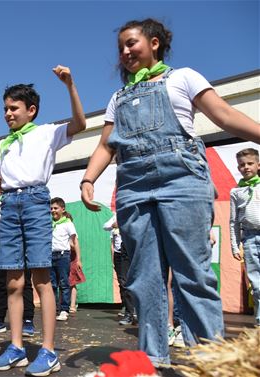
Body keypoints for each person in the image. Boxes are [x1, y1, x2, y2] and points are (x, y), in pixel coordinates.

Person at [80, 18, 260, 365]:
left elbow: (222, 114)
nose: (125, 51)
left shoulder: (183, 77)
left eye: (131, 43)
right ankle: (152, 358)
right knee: (144, 279)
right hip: (133, 186)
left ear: (155, 42)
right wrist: (88, 179)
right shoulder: (118, 97)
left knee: (192, 272)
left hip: (183, 180)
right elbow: (106, 145)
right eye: (121, 47)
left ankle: (209, 360)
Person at [0, 65, 86, 376]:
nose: (8, 113)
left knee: (41, 278)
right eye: (5, 109)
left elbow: (80, 123)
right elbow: (5, 185)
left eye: (13, 108)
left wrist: (70, 85)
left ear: (31, 110)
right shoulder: (4, 144)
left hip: (37, 201)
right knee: (13, 281)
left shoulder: (47, 132)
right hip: (9, 205)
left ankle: (48, 350)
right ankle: (16, 347)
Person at [0, 194, 36, 337]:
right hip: (0, 244)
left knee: (24, 283)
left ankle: (28, 320)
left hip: (18, 241)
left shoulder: (19, 191)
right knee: (1, 284)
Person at [229, 147, 260, 328]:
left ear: (258, 165)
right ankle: (258, 321)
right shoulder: (236, 192)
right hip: (249, 239)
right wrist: (234, 245)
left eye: (249, 163)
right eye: (242, 165)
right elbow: (233, 221)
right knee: (256, 283)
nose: (246, 167)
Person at [103, 215, 135, 326]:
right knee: (122, 282)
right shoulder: (117, 216)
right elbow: (105, 226)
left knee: (127, 282)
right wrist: (114, 224)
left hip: (129, 251)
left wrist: (122, 224)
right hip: (118, 254)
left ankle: (131, 312)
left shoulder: (132, 214)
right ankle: (128, 309)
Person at [49, 197, 77, 322]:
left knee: (64, 283)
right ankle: (53, 308)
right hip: (50, 255)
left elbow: (74, 240)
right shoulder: (49, 223)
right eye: (51, 208)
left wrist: (77, 256)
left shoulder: (67, 223)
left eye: (56, 208)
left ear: (63, 209)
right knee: (52, 284)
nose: (53, 210)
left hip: (62, 255)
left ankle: (64, 309)